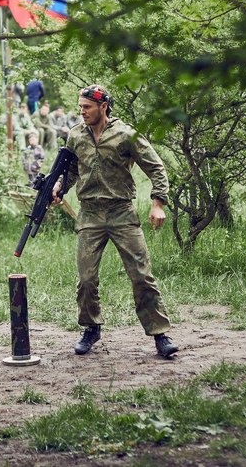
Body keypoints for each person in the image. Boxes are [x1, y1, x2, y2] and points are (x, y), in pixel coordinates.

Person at [53, 84, 179, 359]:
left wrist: (158, 203)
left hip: (121, 212)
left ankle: (160, 334)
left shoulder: (126, 134)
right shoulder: (75, 135)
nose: (81, 112)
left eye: (87, 107)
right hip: (89, 213)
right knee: (86, 279)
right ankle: (91, 327)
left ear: (103, 107)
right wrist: (60, 187)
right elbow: (72, 170)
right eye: (80, 107)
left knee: (142, 276)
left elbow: (156, 167)